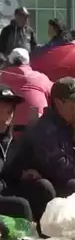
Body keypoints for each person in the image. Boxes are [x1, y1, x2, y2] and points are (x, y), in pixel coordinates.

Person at [2, 77, 75, 221]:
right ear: (60, 103)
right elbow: (63, 172)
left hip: (59, 181)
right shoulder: (44, 129)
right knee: (72, 185)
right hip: (46, 184)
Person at [0, 84, 33, 221]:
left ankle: (47, 235)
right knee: (21, 205)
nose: (10, 109)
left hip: (7, 188)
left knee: (42, 187)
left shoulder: (12, 139)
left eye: (12, 106)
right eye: (4, 105)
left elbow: (11, 168)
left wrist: (24, 173)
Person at [1, 48, 53, 129]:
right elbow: (55, 94)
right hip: (36, 131)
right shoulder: (40, 78)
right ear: (28, 62)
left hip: (7, 128)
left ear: (9, 62)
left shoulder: (1, 77)